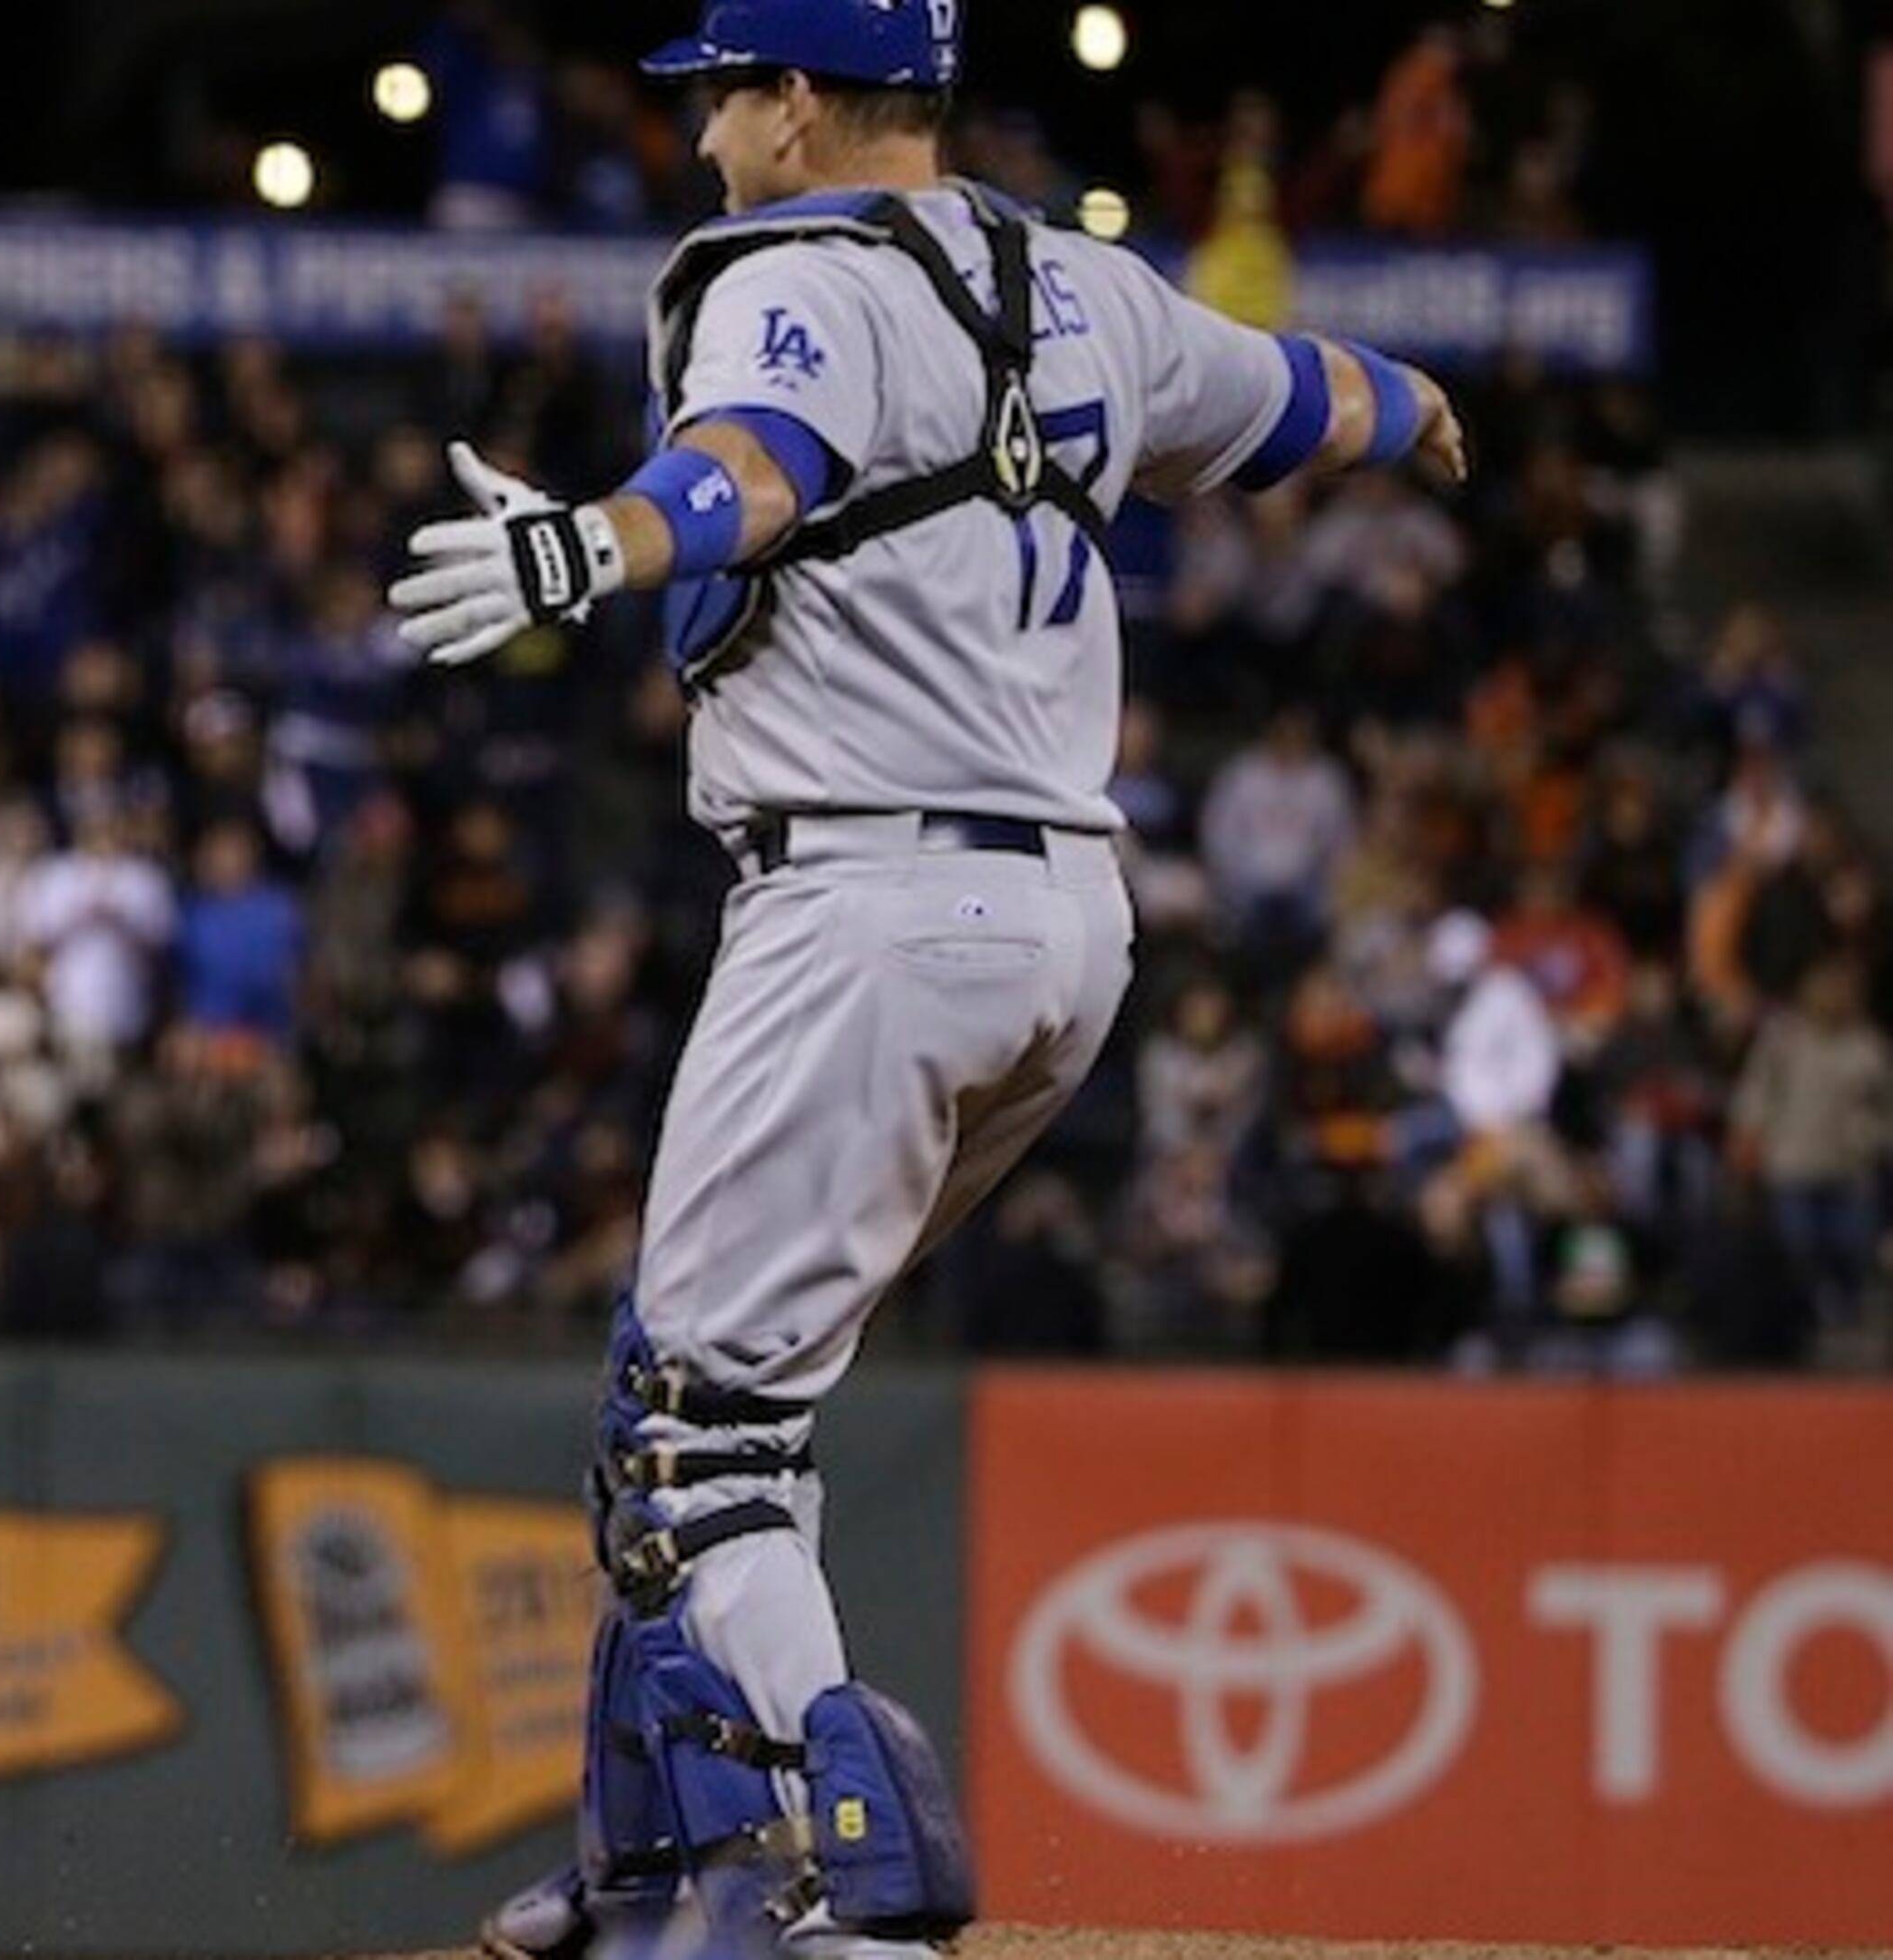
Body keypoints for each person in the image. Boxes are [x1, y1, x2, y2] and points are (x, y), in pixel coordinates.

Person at [384, 4, 1465, 1956]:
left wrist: (591, 549)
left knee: (692, 1441)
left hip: (867, 906)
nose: (707, 132)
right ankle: (660, 1848)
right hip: (1068, 928)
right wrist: (1415, 400)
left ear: (803, 104)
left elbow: (755, 466)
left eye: (725, 94)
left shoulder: (788, 276)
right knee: (707, 1388)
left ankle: (844, 1844)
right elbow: (1304, 399)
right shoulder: (1088, 284)